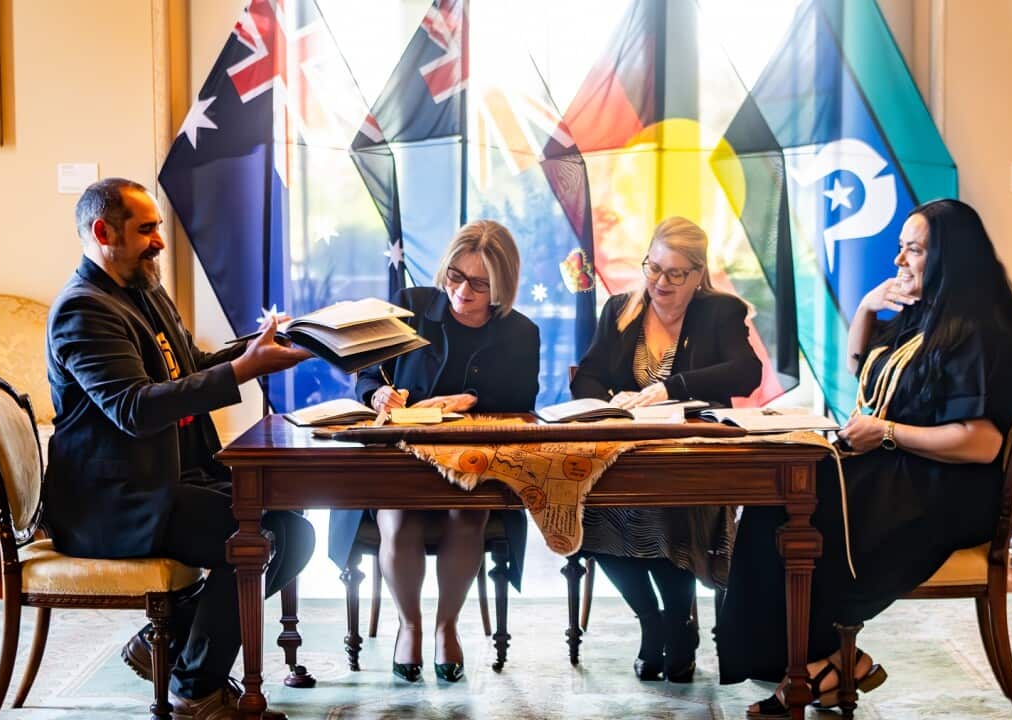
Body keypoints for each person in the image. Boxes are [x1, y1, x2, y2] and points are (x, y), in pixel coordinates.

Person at [718, 199, 1012, 718]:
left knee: (798, 513)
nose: (900, 262)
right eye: (900, 249)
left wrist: (886, 431)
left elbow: (981, 443)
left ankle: (812, 666)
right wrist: (868, 307)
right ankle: (817, 659)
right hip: (906, 472)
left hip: (945, 491)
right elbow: (860, 365)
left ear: (949, 256)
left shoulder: (979, 333)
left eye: (913, 249)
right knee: (780, 494)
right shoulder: (931, 315)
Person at [45, 178, 316, 719]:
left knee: (293, 526)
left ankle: (167, 641)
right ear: (104, 233)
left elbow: (189, 365)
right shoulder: (84, 310)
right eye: (146, 230)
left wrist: (259, 349)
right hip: (117, 501)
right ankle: (195, 689)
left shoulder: (144, 290)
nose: (160, 242)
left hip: (169, 481)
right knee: (262, 537)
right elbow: (135, 407)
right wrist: (243, 370)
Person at [327, 220, 540, 683]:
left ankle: (446, 627)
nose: (463, 292)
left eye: (480, 283)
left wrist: (472, 400)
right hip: (400, 457)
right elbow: (367, 373)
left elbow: (524, 403)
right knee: (398, 516)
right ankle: (410, 627)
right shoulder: (410, 306)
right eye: (455, 277)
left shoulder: (520, 332)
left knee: (468, 516)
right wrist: (377, 396)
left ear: (502, 285)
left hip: (472, 463)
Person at [570, 216, 763, 683]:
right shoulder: (620, 308)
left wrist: (673, 387)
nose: (660, 283)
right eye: (653, 268)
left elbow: (746, 373)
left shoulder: (721, 312)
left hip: (690, 458)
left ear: (698, 274)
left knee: (664, 511)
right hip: (624, 452)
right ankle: (653, 621)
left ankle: (678, 623)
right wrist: (608, 399)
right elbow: (589, 373)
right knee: (585, 515)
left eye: (675, 273)